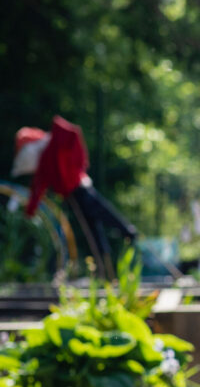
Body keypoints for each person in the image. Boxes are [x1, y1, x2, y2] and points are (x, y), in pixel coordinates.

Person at [11, 116, 137, 277]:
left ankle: (127, 232)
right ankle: (106, 268)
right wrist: (29, 211)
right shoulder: (46, 155)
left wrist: (80, 165)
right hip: (74, 194)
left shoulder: (52, 146)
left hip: (80, 189)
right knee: (93, 228)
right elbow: (38, 186)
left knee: (101, 215)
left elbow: (72, 134)